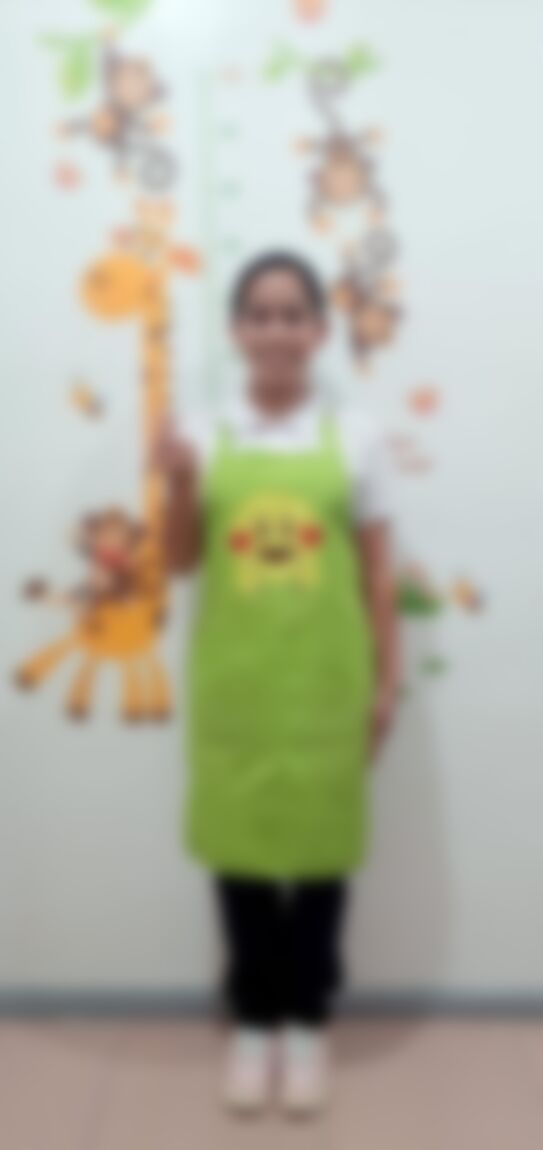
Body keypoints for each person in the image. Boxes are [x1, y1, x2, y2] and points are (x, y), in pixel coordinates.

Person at [154, 250, 399, 1117]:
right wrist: (179, 482)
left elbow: (377, 576)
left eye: (292, 314)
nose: (275, 331)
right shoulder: (201, 431)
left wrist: (387, 681)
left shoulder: (357, 437)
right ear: (236, 331)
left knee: (322, 860)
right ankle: (254, 1022)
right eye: (258, 314)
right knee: (243, 861)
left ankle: (307, 1024)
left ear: (319, 331)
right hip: (238, 688)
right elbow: (179, 561)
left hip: (327, 687)